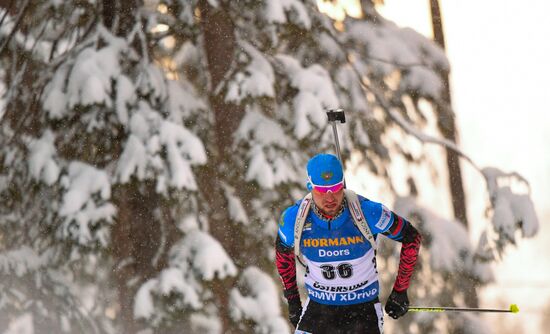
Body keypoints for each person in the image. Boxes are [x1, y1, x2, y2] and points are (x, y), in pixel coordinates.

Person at [275, 153, 422, 333]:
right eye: (322, 190)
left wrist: (400, 290)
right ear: (310, 186)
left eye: (336, 188)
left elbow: (411, 237)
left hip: (363, 310)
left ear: (343, 184)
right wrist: (293, 301)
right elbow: (283, 256)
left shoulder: (368, 212)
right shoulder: (294, 220)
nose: (330, 198)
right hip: (319, 310)